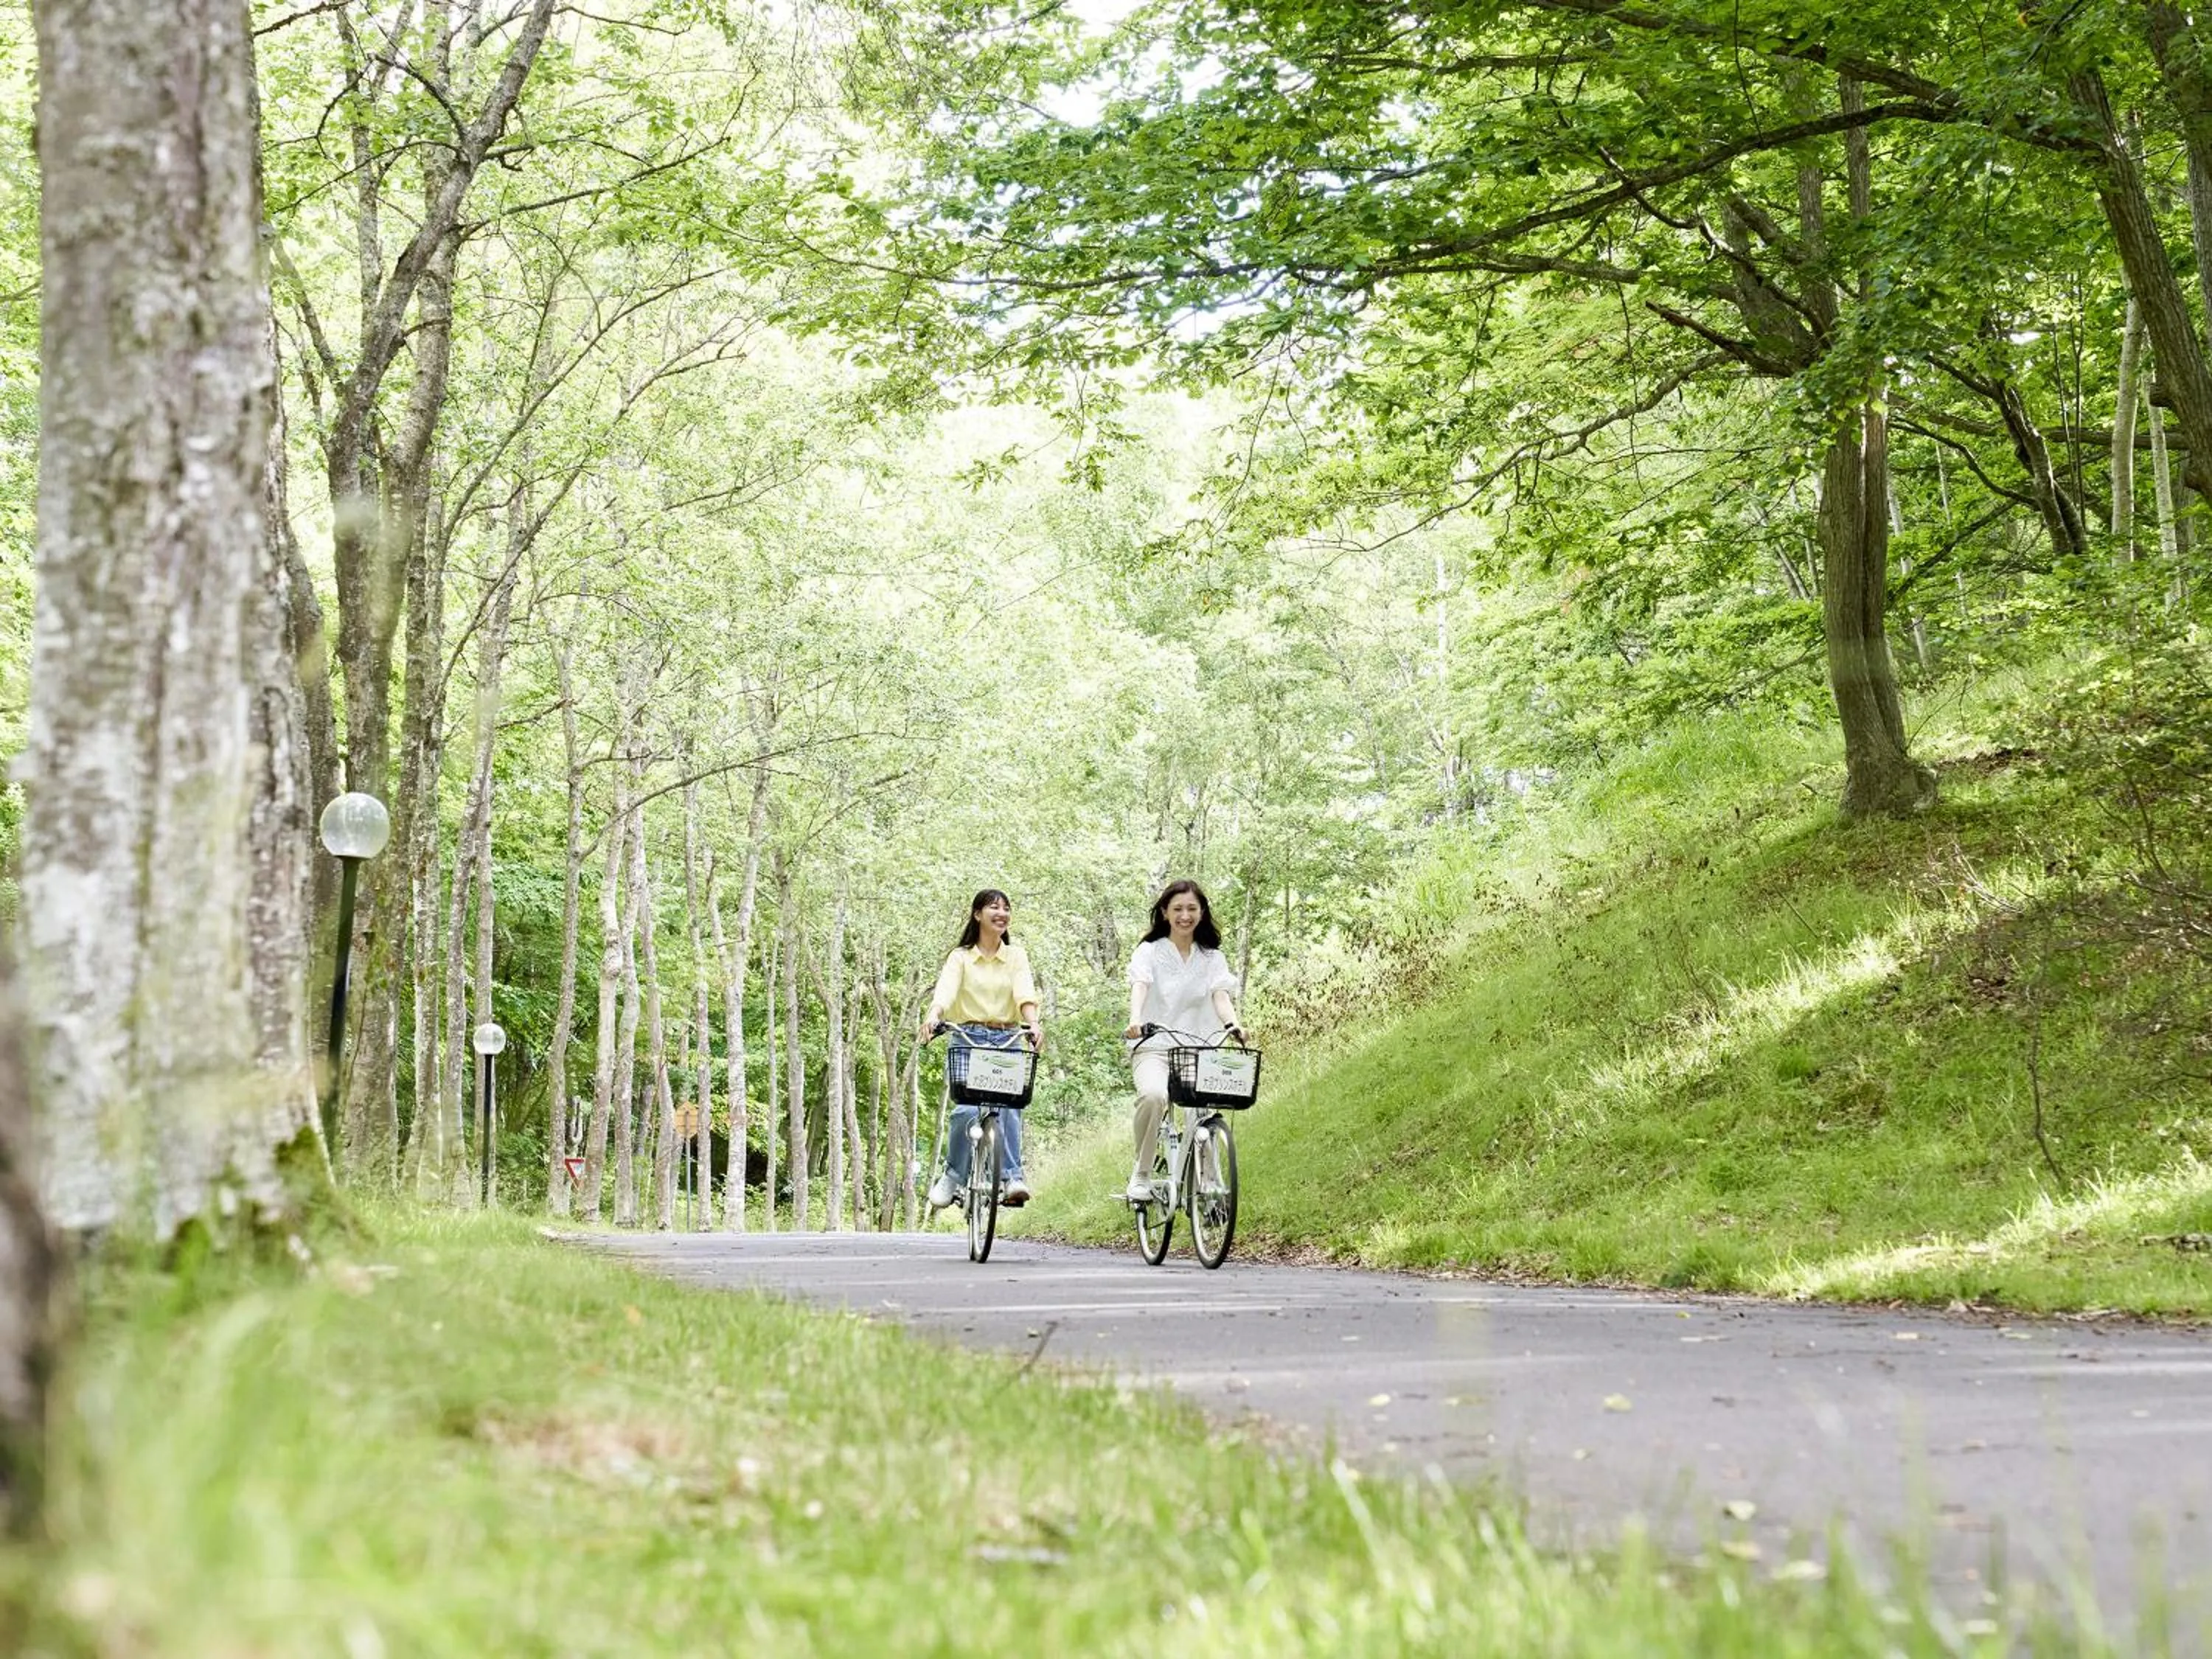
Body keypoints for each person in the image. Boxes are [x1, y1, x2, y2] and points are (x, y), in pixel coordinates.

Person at [1123, 879, 1247, 1203]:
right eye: (1177, 909)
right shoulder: (1149, 951)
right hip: (1154, 1045)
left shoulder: (1211, 957)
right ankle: (1143, 1172)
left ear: (1202, 913)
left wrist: (1233, 1024)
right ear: (1165, 913)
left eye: (1192, 908)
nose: (1185, 915)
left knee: (1203, 1114)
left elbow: (1221, 997)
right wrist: (1135, 1019)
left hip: (1198, 1048)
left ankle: (1207, 1181)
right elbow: (1141, 985)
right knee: (1153, 1096)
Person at [922, 888, 1043, 1209]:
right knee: (964, 1110)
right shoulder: (960, 957)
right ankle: (952, 1177)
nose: (1001, 913)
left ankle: (1012, 1178)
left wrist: (1033, 1024)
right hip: (968, 1037)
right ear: (978, 914)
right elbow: (946, 992)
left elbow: (1025, 995)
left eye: (1006, 908)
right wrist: (934, 1017)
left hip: (1007, 1039)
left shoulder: (1016, 956)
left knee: (1011, 1108)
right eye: (994, 907)